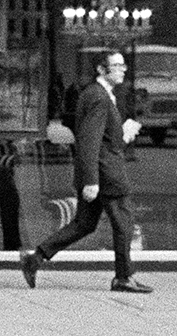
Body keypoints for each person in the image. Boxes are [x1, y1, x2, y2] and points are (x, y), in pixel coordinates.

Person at [20, 50, 153, 294]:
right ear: (101, 70)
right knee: (123, 224)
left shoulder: (98, 95)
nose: (123, 69)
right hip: (107, 175)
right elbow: (89, 141)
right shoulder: (99, 97)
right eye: (117, 65)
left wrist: (123, 134)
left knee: (84, 224)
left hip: (100, 173)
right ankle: (123, 277)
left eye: (123, 65)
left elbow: (101, 140)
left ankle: (35, 258)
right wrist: (91, 180)